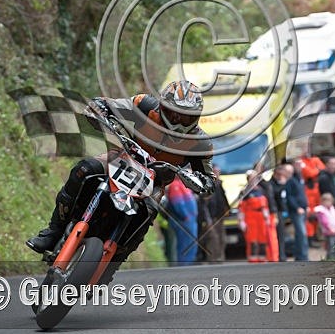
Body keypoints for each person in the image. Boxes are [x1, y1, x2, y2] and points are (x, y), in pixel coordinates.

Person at [25, 80, 215, 264]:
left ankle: (112, 262)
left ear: (196, 118)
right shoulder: (145, 105)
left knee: (145, 216)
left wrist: (200, 182)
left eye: (184, 116)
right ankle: (53, 231)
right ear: (161, 105)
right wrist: (98, 108)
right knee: (84, 170)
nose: (176, 120)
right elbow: (107, 104)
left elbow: (209, 180)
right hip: (124, 158)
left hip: (155, 181)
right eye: (172, 113)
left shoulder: (201, 144)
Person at [238, 170, 272, 262]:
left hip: (261, 218)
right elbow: (241, 208)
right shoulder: (245, 191)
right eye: (251, 177)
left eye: (255, 177)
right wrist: (241, 221)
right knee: (252, 240)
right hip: (250, 218)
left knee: (262, 239)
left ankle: (262, 259)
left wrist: (267, 217)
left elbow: (265, 205)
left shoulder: (260, 189)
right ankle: (253, 260)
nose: (253, 179)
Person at [198, 164, 230, 263]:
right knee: (212, 240)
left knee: (222, 239)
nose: (217, 174)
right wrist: (206, 220)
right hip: (210, 218)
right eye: (215, 172)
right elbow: (203, 204)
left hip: (220, 217)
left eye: (218, 172)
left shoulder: (219, 184)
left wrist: (227, 209)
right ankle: (212, 260)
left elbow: (223, 199)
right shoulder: (206, 185)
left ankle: (220, 259)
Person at [166, 175, 199, 265]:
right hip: (183, 221)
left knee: (191, 245)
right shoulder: (175, 185)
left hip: (190, 220)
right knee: (185, 246)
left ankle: (188, 266)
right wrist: (185, 216)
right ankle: (183, 268)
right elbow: (178, 204)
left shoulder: (184, 185)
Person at [285, 162, 310, 261]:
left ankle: (299, 255)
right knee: (302, 233)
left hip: (303, 210)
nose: (300, 168)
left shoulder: (300, 179)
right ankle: (304, 256)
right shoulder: (291, 181)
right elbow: (289, 197)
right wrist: (296, 207)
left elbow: (302, 194)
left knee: (299, 234)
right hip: (296, 211)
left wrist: (306, 206)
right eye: (298, 165)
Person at [269, 165, 291, 261]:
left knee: (282, 235)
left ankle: (282, 255)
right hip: (276, 212)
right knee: (278, 235)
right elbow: (274, 193)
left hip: (282, 211)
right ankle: (280, 256)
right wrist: (282, 185)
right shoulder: (271, 183)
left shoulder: (280, 182)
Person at [313, 193, 335, 260]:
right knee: (330, 248)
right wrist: (331, 229)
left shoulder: (333, 209)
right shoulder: (321, 210)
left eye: (329, 201)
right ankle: (330, 260)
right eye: (326, 201)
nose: (328, 202)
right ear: (322, 201)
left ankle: (334, 259)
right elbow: (324, 222)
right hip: (328, 232)